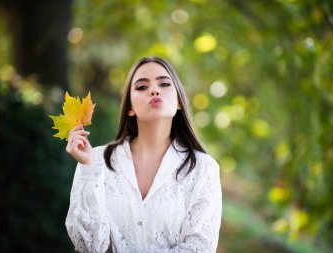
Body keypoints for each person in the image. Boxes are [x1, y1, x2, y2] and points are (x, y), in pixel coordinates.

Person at [65, 56, 222, 253]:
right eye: (141, 87)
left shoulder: (203, 168)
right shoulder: (94, 161)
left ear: (179, 102)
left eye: (164, 84)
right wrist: (89, 168)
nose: (154, 90)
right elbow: (89, 246)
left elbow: (200, 248)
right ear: (130, 107)